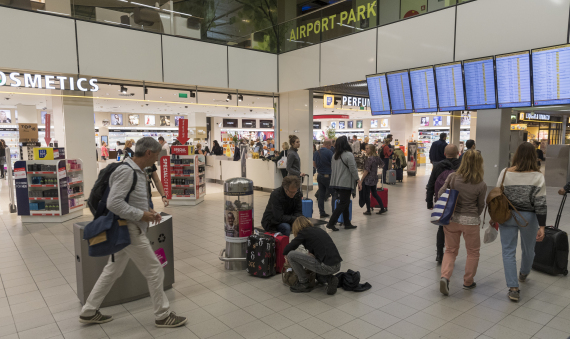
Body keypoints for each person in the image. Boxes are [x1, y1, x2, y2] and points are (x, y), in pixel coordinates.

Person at [79, 137, 186, 328]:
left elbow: (128, 200)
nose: (157, 160)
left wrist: (147, 211)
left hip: (127, 228)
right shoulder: (127, 171)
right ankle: (162, 315)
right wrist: (141, 215)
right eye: (157, 155)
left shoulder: (136, 170)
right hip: (129, 229)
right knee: (154, 270)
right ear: (148, 153)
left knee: (112, 271)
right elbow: (114, 203)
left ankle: (89, 310)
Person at [490, 142, 546, 302]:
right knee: (529, 249)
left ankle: (513, 288)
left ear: (516, 155)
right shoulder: (538, 176)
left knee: (508, 250)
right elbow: (540, 202)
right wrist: (542, 225)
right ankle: (524, 273)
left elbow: (497, 194)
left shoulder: (505, 172)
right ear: (533, 157)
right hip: (529, 217)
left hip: (507, 215)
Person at [437, 150, 487, 296]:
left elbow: (441, 193)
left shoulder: (453, 177)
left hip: (451, 219)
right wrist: (473, 216)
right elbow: (480, 205)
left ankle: (445, 277)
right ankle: (468, 281)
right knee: (473, 252)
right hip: (471, 221)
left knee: (450, 250)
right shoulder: (481, 184)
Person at [284, 217, 342, 294]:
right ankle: (329, 278)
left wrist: (285, 254)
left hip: (326, 266)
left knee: (291, 255)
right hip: (337, 264)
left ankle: (303, 283)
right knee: (314, 267)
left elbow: (291, 246)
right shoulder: (318, 230)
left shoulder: (303, 232)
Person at [426, 144, 461, 263]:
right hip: (457, 200)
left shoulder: (438, 166)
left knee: (441, 227)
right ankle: (451, 254)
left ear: (445, 154)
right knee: (454, 229)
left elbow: (430, 184)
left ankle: (439, 255)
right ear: (457, 153)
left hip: (442, 199)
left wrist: (429, 202)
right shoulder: (461, 166)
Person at [327, 136, 361, 231]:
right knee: (343, 203)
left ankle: (347, 223)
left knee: (345, 203)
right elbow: (353, 169)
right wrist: (358, 180)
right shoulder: (348, 155)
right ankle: (331, 223)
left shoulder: (335, 155)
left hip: (337, 183)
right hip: (345, 183)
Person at [361, 144, 386, 215]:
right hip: (374, 178)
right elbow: (382, 164)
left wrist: (362, 179)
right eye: (366, 148)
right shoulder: (377, 157)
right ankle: (382, 208)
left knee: (367, 195)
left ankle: (368, 210)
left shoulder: (369, 159)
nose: (366, 150)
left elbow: (366, 170)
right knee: (374, 193)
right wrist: (375, 169)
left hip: (368, 179)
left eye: (367, 148)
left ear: (371, 149)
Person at [313, 139, 334, 218]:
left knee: (321, 195)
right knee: (334, 194)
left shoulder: (316, 152)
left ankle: (322, 213)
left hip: (320, 175)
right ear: (328, 145)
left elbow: (314, 164)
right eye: (330, 146)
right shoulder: (329, 152)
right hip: (328, 176)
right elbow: (333, 164)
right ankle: (334, 213)